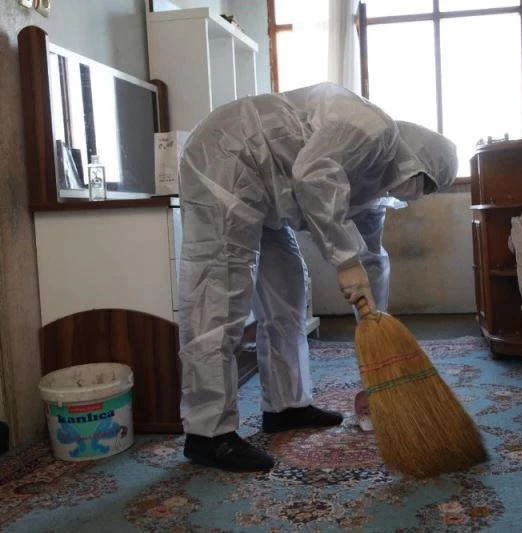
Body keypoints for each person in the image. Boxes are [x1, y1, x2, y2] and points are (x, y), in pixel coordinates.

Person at [177, 82, 458, 472]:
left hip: (266, 188)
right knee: (219, 294)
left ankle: (286, 407)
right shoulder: (373, 130)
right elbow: (312, 173)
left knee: (288, 292)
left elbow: (370, 261)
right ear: (418, 157)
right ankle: (208, 435)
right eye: (424, 183)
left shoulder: (375, 190)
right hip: (228, 155)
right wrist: (344, 261)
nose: (417, 194)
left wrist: (374, 321)